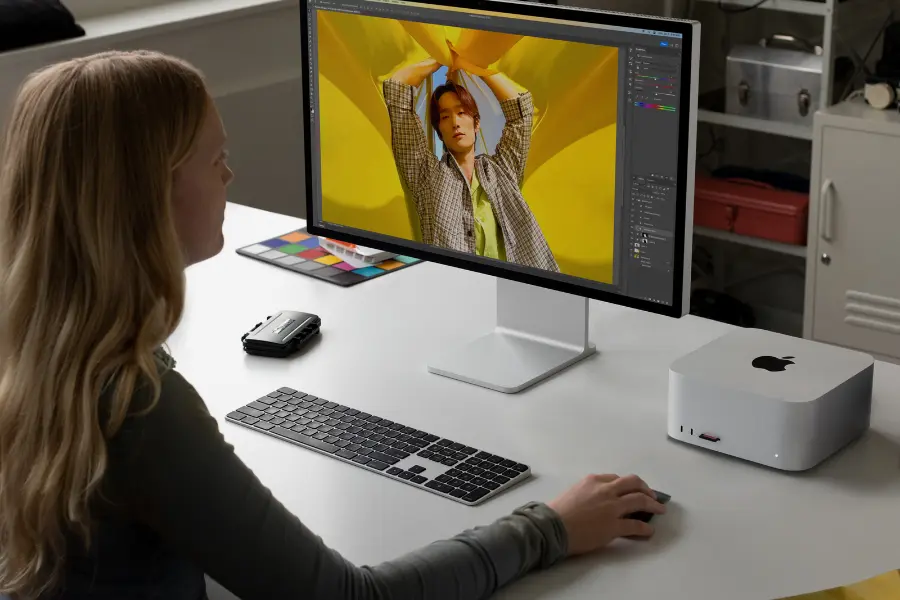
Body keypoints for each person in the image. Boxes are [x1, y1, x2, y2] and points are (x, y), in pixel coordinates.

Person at [0, 50, 665, 600]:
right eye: (214, 158)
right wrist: (549, 525)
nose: (230, 173)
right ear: (151, 191)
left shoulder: (38, 353)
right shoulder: (136, 405)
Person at [384, 58, 560, 272]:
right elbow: (398, 89)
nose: (455, 122)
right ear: (439, 131)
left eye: (461, 112)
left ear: (476, 124)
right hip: (457, 292)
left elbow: (521, 114)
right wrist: (441, 58)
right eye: (445, 116)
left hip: (521, 289)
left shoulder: (503, 169)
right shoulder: (426, 176)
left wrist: (476, 66)